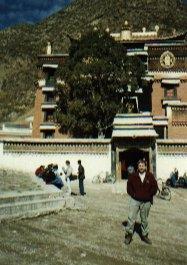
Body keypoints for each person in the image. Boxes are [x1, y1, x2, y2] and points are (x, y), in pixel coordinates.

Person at [125, 159, 158, 245]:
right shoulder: (133, 176)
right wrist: (133, 195)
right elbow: (128, 187)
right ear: (138, 167)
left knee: (144, 219)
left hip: (146, 202)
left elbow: (155, 187)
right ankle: (129, 235)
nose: (141, 167)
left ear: (146, 167)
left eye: (143, 166)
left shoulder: (150, 176)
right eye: (139, 166)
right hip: (135, 200)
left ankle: (144, 235)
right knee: (131, 218)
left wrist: (149, 195)